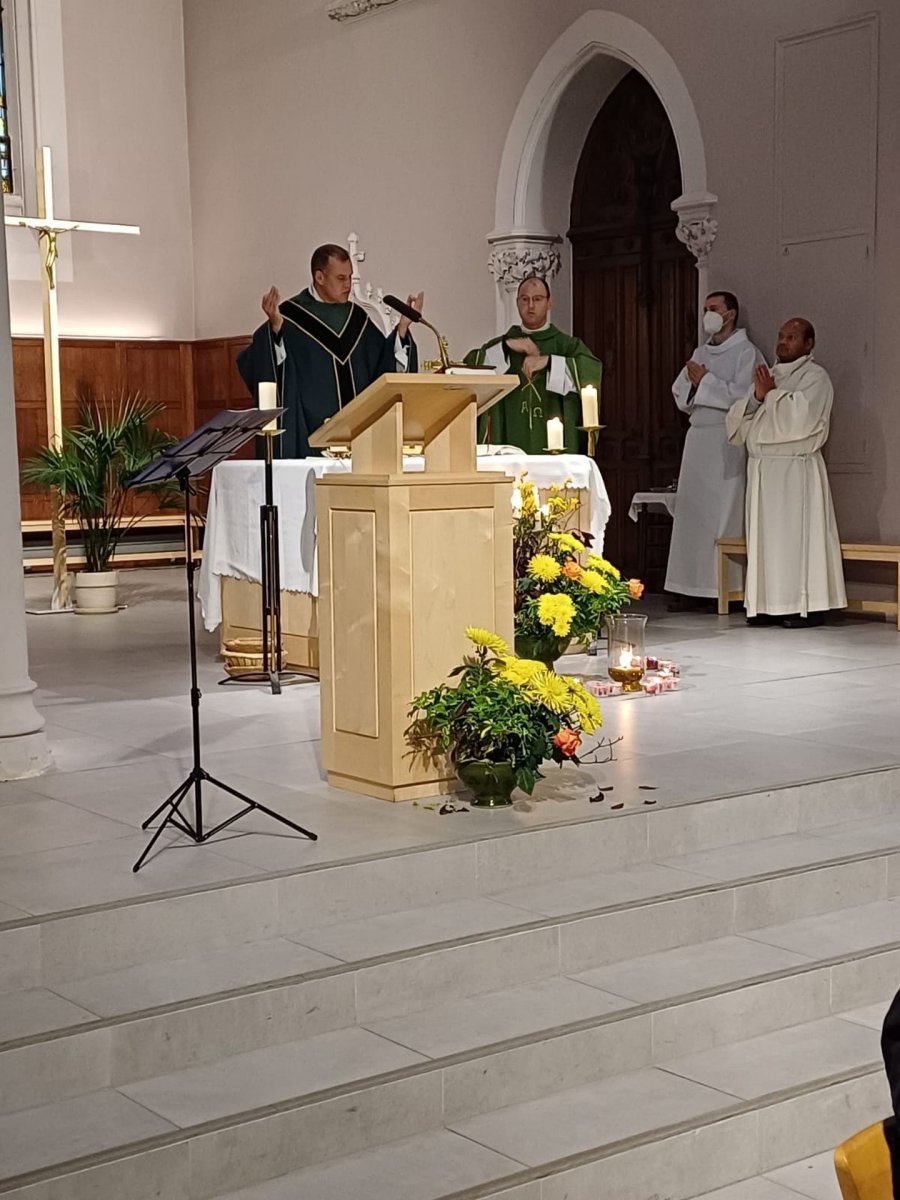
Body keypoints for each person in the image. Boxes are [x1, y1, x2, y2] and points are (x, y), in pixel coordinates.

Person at [237, 243, 421, 458]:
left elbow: (382, 369)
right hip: (308, 441)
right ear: (320, 277)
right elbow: (265, 370)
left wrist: (402, 328)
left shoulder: (357, 318)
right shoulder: (290, 317)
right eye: (341, 278)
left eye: (350, 277)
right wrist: (276, 331)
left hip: (358, 442)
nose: (348, 285)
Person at [725, 318, 846, 627]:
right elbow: (741, 422)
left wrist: (770, 396)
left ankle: (805, 606)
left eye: (791, 337)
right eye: (780, 335)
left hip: (795, 471)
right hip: (764, 470)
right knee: (767, 543)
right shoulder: (770, 375)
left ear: (808, 345)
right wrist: (757, 397)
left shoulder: (816, 378)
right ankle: (768, 605)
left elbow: (799, 420)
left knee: (796, 541)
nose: (783, 341)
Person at [665, 291, 766, 609]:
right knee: (692, 515)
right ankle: (688, 586)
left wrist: (706, 381)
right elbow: (680, 392)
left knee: (724, 515)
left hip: (727, 439)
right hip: (697, 440)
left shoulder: (747, 353)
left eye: (715, 308)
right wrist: (697, 384)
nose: (708, 313)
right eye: (706, 308)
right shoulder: (701, 351)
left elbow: (745, 397)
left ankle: (721, 589)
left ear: (731, 314)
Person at [464, 276, 602, 455]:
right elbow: (470, 368)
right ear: (517, 302)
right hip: (507, 439)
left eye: (537, 299)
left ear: (549, 302)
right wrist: (506, 347)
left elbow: (591, 369)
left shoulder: (567, 346)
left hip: (556, 447)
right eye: (524, 299)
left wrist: (550, 361)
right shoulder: (503, 344)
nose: (530, 306)